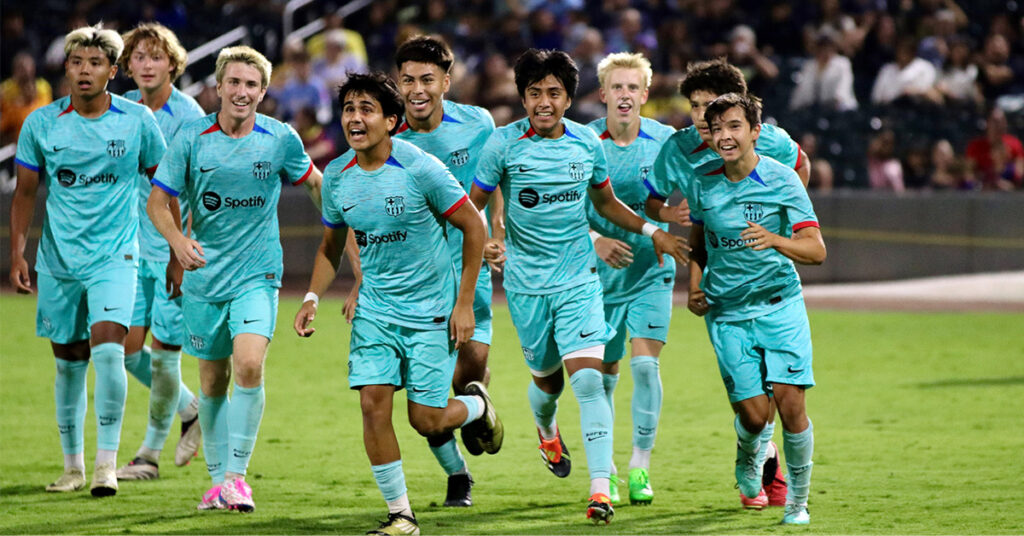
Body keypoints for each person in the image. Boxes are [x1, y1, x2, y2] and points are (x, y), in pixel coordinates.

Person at [469, 48, 688, 525]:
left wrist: (652, 230)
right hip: (527, 287)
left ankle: (600, 489)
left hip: (579, 282)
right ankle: (546, 427)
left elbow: (606, 204)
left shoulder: (586, 144)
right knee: (547, 384)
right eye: (534, 93)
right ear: (523, 97)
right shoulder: (502, 145)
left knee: (588, 381)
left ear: (569, 98)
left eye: (554, 93)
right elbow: (473, 205)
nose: (544, 102)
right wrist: (487, 239)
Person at [293, 71, 502, 536]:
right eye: (349, 109)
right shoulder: (337, 178)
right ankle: (401, 515)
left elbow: (474, 226)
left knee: (425, 420)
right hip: (375, 312)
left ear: (391, 120)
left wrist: (464, 303)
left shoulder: (421, 168)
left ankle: (476, 407)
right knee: (372, 405)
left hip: (430, 312)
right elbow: (331, 246)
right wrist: (311, 296)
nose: (355, 118)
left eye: (366, 109)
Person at [147, 45, 323, 513]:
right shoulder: (191, 138)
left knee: (248, 365)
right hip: (204, 278)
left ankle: (236, 479)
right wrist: (177, 243)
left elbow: (315, 182)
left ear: (263, 92)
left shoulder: (279, 138)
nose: (242, 92)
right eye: (235, 83)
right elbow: (157, 202)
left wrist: (345, 218)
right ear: (219, 86)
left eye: (251, 85)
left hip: (257, 274)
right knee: (211, 382)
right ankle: (217, 484)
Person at [9, 24, 167, 497]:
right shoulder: (41, 123)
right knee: (69, 364)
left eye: (95, 63)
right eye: (77, 62)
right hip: (58, 261)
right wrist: (17, 253)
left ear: (112, 71)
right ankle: (72, 467)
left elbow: (165, 188)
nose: (84, 70)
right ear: (66, 67)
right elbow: (25, 193)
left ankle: (106, 466)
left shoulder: (137, 120)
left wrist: (176, 248)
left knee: (110, 351)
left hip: (116, 257)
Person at [644, 58, 806, 509]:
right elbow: (654, 201)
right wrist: (668, 215)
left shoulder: (767, 140)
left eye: (710, 104)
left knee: (785, 393)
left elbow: (801, 166)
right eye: (694, 106)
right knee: (753, 406)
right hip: (723, 286)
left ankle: (774, 476)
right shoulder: (679, 149)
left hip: (771, 280)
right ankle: (758, 456)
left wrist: (787, 219)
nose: (701, 116)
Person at [687, 92, 825, 525]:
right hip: (727, 311)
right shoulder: (702, 182)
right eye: (717, 129)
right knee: (753, 415)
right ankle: (749, 455)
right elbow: (698, 241)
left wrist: (776, 240)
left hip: (780, 305)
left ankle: (798, 503)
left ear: (755, 132)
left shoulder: (783, 179)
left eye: (734, 127)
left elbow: (817, 250)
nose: (725, 137)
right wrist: (694, 285)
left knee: (791, 405)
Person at [392, 35, 501, 507]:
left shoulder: (477, 123)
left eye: (427, 79)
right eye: (408, 80)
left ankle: (475, 405)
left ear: (446, 83)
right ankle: (458, 475)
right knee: (426, 394)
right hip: (416, 279)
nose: (417, 90)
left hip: (469, 267)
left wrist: (497, 228)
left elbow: (494, 177)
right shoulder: (387, 135)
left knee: (469, 372)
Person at [584, 52, 680, 506]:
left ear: (645, 94)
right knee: (602, 375)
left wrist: (678, 217)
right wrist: (595, 240)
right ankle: (606, 467)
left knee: (645, 366)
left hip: (650, 271)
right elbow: (562, 210)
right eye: (616, 87)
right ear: (603, 94)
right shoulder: (582, 142)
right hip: (596, 277)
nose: (624, 95)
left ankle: (640, 465)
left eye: (632, 87)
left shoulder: (666, 141)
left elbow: (699, 186)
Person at [114, 22, 206, 481]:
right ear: (127, 65)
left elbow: (196, 190)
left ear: (173, 63)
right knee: (127, 350)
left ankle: (148, 456)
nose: (147, 64)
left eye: (156, 56)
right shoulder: (122, 108)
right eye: (139, 56)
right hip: (129, 251)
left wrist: (181, 250)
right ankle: (193, 409)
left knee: (166, 354)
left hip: (172, 251)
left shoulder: (189, 116)